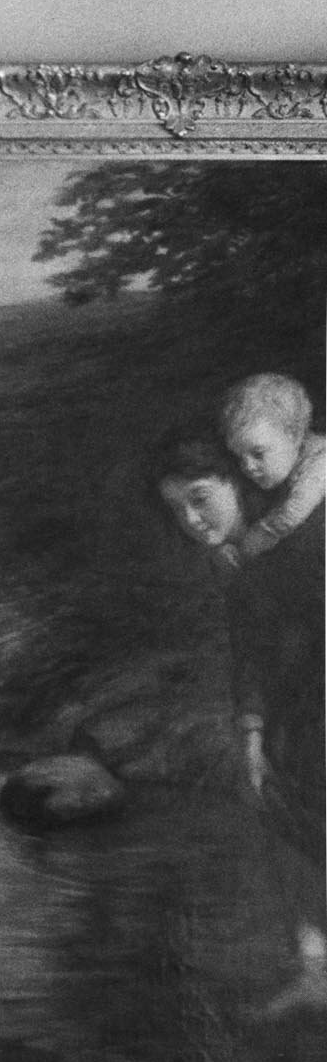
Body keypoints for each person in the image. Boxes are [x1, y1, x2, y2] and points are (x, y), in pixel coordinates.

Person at [155, 436, 327, 1012]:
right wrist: (251, 734)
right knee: (278, 806)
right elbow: (250, 651)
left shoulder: (304, 536)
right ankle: (314, 968)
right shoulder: (239, 558)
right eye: (178, 510)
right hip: (291, 715)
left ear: (237, 483)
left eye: (201, 499)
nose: (192, 520)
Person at [216, 371, 326, 564]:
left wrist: (255, 539)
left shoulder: (321, 462)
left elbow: (293, 512)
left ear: (293, 436)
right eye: (240, 458)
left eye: (258, 454)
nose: (248, 466)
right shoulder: (277, 480)